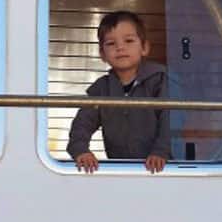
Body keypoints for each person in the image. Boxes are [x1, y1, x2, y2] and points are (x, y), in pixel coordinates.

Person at [67, 11, 171, 174]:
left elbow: (170, 119)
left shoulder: (160, 80)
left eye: (129, 40)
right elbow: (82, 124)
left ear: (144, 48)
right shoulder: (101, 89)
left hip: (163, 168)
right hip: (122, 170)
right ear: (102, 54)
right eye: (110, 43)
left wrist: (161, 151)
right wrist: (81, 150)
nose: (120, 47)